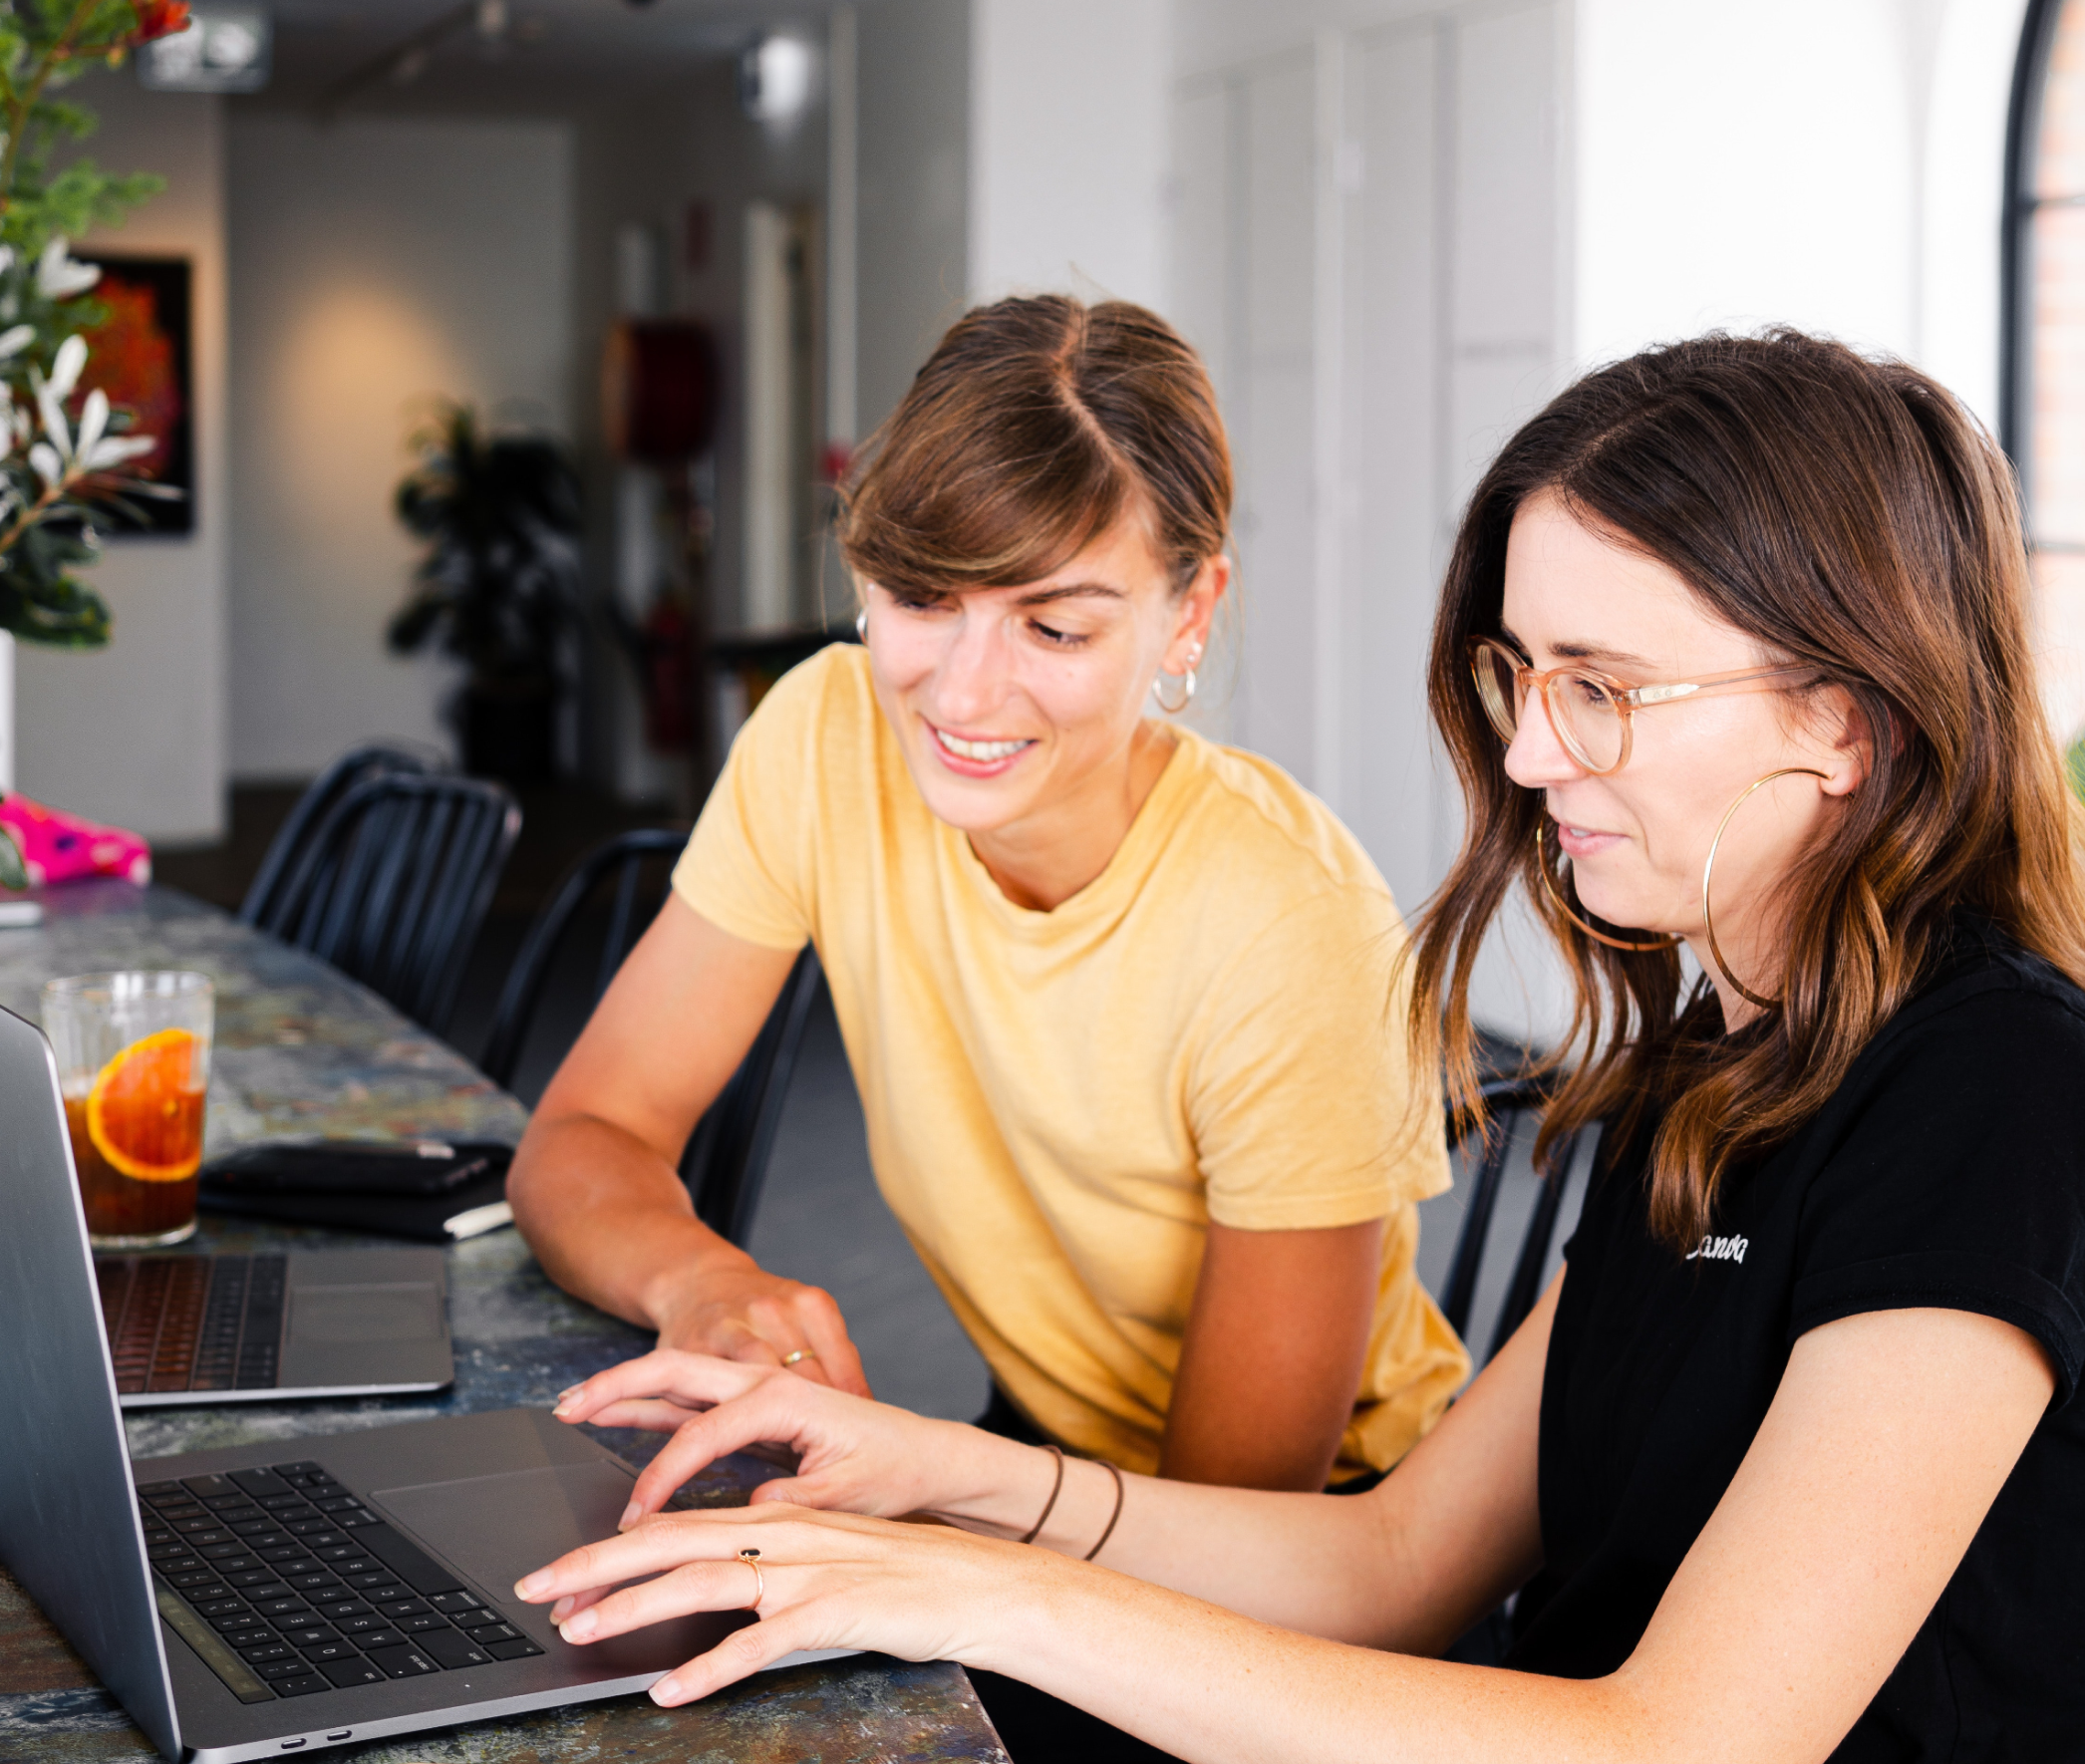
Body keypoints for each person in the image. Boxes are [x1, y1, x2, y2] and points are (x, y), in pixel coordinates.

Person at [508, 330, 2085, 1763]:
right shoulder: (1722, 1070)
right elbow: (1391, 1563)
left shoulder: (2002, 1096)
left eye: (1601, 688)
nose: (1521, 751)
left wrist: (973, 1581)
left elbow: (1690, 1741)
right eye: (1520, 673)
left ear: (1838, 717)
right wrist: (941, 1479)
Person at [508, 303, 1468, 1485]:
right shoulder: (825, 734)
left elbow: (1236, 1525)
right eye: (920, 600)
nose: (963, 696)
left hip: (1305, 1556)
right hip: (1040, 1448)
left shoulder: (1293, 930)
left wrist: (928, 1501)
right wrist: (701, 1279)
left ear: (1190, 616)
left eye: (1054, 627)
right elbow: (583, 1139)